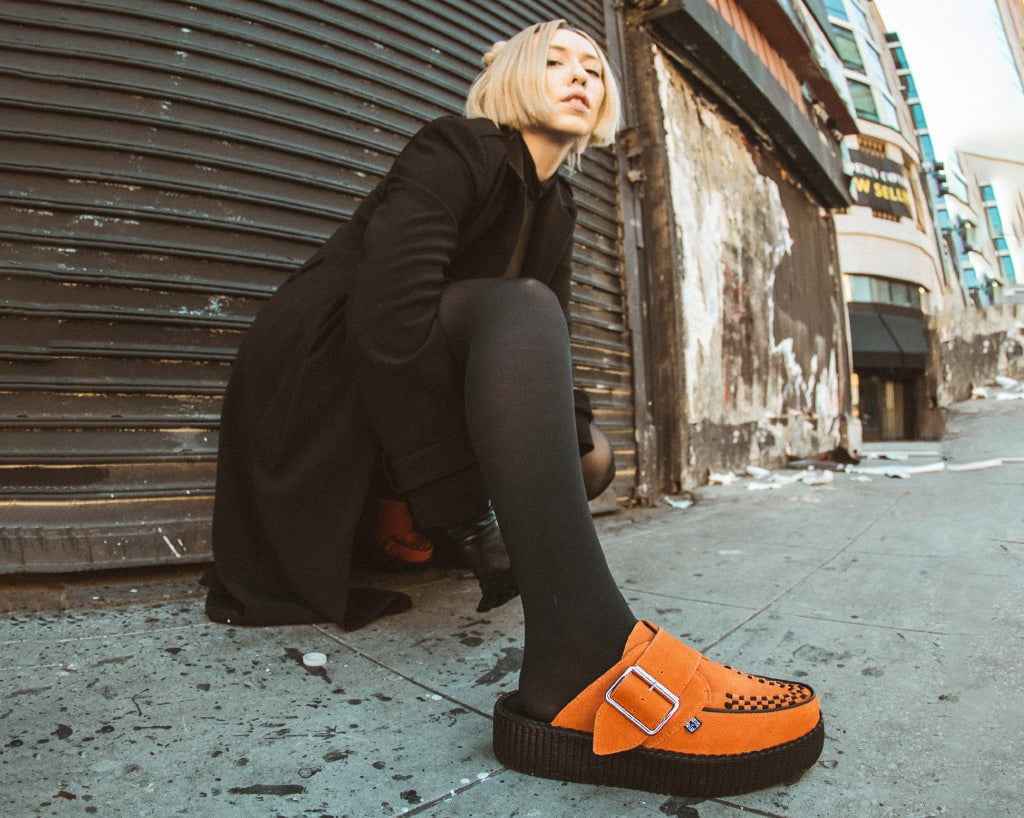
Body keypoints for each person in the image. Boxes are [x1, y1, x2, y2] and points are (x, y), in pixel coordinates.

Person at [203, 20, 823, 797]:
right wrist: (460, 504)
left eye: (594, 68)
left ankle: (417, 524)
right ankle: (584, 656)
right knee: (521, 307)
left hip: (407, 377)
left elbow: (546, 345)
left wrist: (570, 424)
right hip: (318, 372)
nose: (579, 77)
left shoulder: (557, 203)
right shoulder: (454, 147)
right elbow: (387, 320)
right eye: (554, 61)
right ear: (512, 80)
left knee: (591, 453)